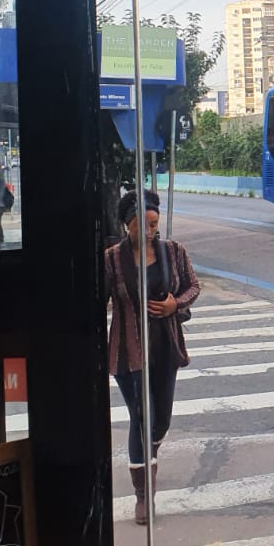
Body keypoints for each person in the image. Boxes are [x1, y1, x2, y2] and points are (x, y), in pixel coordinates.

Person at [102, 188, 199, 525]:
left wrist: (176, 304)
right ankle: (144, 496)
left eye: (153, 224)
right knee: (142, 417)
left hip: (165, 346)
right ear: (126, 225)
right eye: (140, 225)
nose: (148, 231)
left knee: (161, 421)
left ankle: (149, 455)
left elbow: (192, 286)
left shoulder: (174, 251)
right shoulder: (112, 259)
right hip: (128, 351)